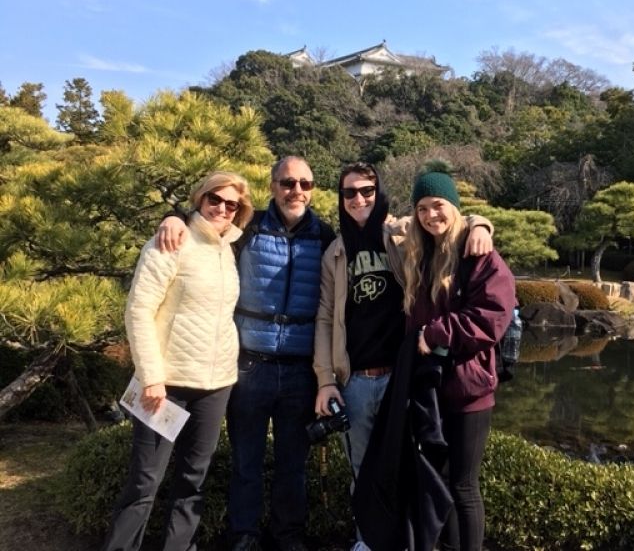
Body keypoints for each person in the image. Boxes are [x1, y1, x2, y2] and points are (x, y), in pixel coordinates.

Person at [157, 156, 335, 551]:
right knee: (246, 460)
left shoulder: (324, 235)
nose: (297, 191)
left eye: (305, 184)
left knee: (293, 463)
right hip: (249, 364)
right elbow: (206, 226)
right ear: (273, 186)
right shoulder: (246, 228)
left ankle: (288, 535)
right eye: (288, 183)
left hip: (300, 370)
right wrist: (176, 218)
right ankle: (244, 535)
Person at [313, 163, 493, 549]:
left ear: (379, 193)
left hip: (405, 375)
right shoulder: (335, 252)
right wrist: (326, 379)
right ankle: (367, 540)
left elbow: (448, 215)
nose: (359, 199)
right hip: (357, 378)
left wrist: (481, 225)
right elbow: (326, 317)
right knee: (363, 467)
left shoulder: (400, 233)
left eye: (367, 190)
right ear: (340, 199)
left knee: (411, 466)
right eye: (350, 193)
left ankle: (406, 541)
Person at [101, 171, 253, 551]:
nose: (221, 208)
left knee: (193, 481)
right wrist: (151, 376)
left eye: (231, 204)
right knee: (144, 482)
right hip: (165, 386)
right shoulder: (170, 242)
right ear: (199, 200)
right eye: (214, 199)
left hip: (216, 385)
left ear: (239, 211)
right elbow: (138, 311)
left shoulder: (228, 248)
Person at [403, 165, 516, 551]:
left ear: (454, 205)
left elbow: (491, 319)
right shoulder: (423, 254)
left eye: (438, 205)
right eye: (422, 209)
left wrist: (434, 334)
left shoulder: (479, 254)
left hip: (470, 390)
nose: (431, 215)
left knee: (464, 485)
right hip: (433, 389)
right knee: (443, 480)